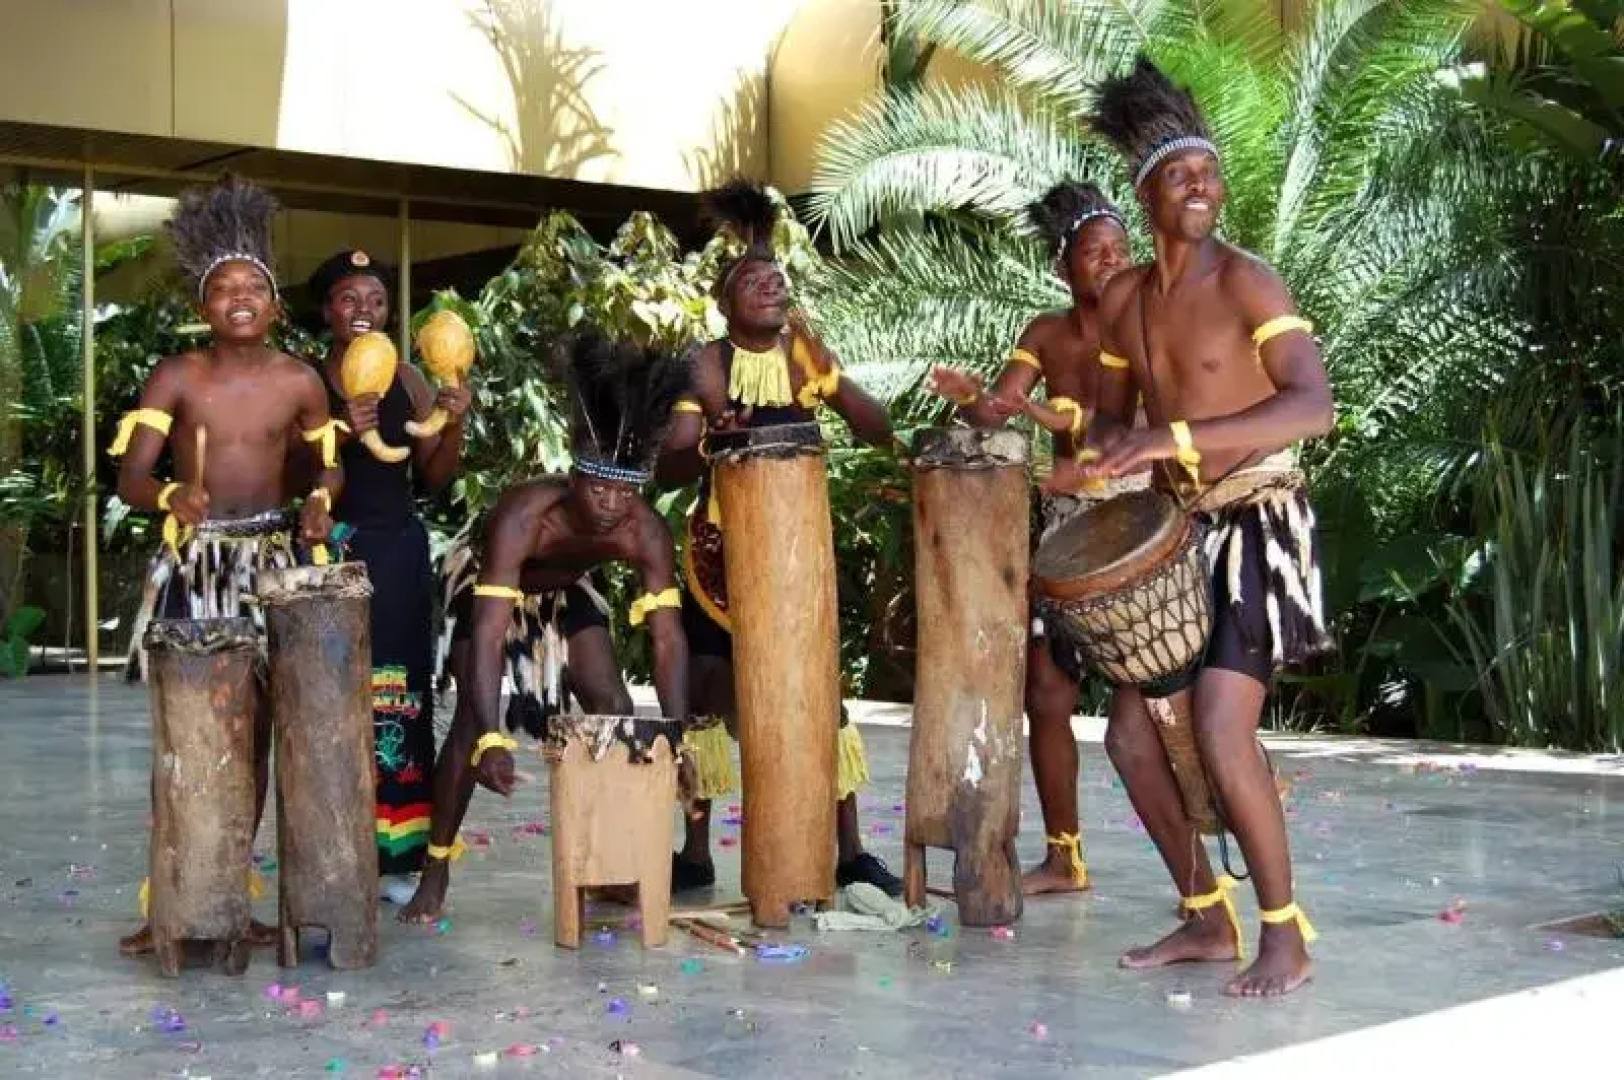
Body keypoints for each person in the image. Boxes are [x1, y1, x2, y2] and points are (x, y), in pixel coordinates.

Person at [1048, 57, 1334, 997]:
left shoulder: (1251, 283)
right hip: (1179, 535)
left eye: (1209, 172)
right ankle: (1206, 916)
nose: (1203, 185)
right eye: (1182, 175)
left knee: (1220, 727)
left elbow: (1311, 407)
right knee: (1130, 739)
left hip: (1258, 522)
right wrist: (1099, 454)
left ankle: (1284, 935)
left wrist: (1173, 436)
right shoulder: (1128, 303)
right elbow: (1123, 419)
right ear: (1148, 193)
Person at [112, 177, 342, 956]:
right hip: (199, 567)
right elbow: (130, 478)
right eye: (224, 288)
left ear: (274, 305)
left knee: (255, 739)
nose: (239, 297)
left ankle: (236, 898)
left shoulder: (302, 381)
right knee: (186, 738)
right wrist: (170, 493)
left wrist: (318, 503)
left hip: (273, 561)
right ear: (204, 305)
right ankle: (172, 900)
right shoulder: (175, 376)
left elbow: (327, 470)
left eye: (254, 287)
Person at [399, 327, 692, 922]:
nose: (611, 504)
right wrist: (490, 736)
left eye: (625, 491)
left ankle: (611, 865)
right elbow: (487, 632)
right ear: (573, 476)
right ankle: (435, 868)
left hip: (565, 592)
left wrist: (678, 734)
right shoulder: (526, 514)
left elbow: (667, 639)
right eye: (599, 488)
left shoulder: (644, 531)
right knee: (466, 734)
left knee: (615, 709)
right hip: (491, 592)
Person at [659, 179, 902, 897]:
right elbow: (670, 462)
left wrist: (829, 376)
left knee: (821, 696)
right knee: (704, 694)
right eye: (754, 280)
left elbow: (877, 428)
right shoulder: (703, 363)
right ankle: (696, 851)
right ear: (726, 300)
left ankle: (849, 850)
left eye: (779, 279)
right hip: (719, 556)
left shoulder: (805, 351)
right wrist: (709, 432)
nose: (772, 285)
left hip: (797, 558)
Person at [927, 181, 1154, 896]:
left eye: (1120, 249)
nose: (1112, 262)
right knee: (1049, 693)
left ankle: (1200, 875)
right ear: (1066, 267)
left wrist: (1065, 424)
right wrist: (972, 398)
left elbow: (1153, 424)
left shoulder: (1151, 321)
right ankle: (1064, 856)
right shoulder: (1047, 333)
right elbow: (1001, 407)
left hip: (1140, 525)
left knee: (1146, 706)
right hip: (1063, 530)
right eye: (1096, 253)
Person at [303, 251, 471, 906]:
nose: (364, 310)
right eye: (349, 298)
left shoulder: (404, 374)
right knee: (335, 698)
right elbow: (296, 473)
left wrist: (452, 418)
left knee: (401, 696)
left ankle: (399, 856)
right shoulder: (310, 379)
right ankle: (338, 845)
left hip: (399, 550)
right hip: (335, 552)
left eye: (374, 298)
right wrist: (345, 429)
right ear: (327, 312)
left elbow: (435, 474)